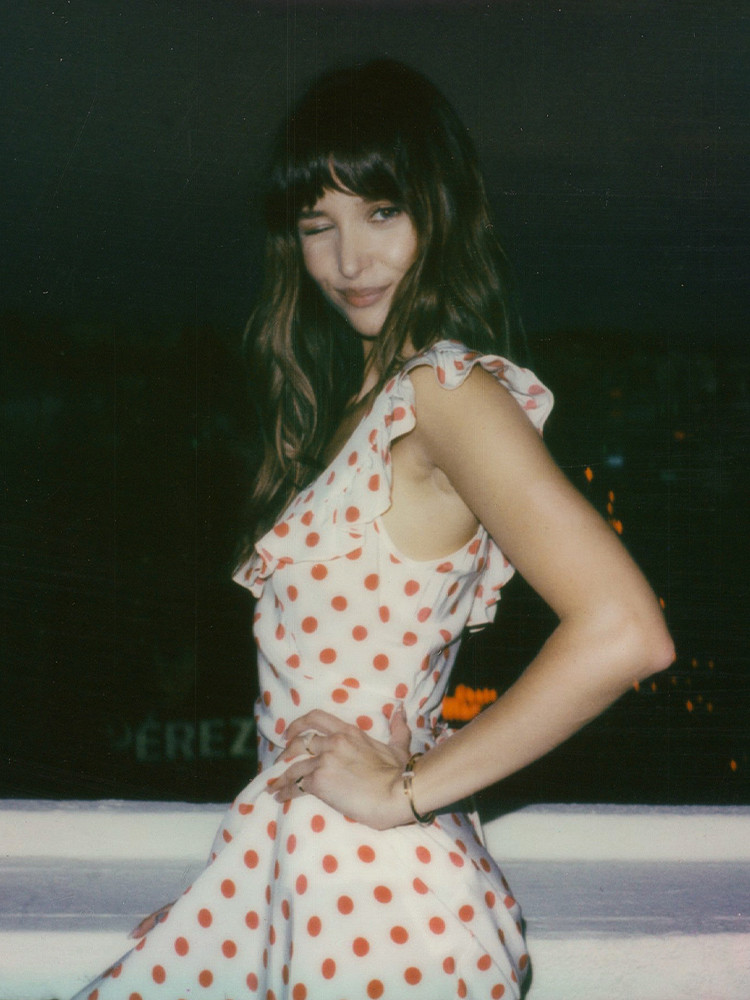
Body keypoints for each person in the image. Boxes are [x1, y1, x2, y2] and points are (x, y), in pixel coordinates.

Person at [70, 59, 674, 1000]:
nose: (348, 261)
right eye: (318, 225)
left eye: (382, 212)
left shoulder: (445, 392)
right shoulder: (364, 404)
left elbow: (627, 632)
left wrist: (402, 791)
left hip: (376, 909)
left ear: (442, 211)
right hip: (317, 883)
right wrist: (233, 901)